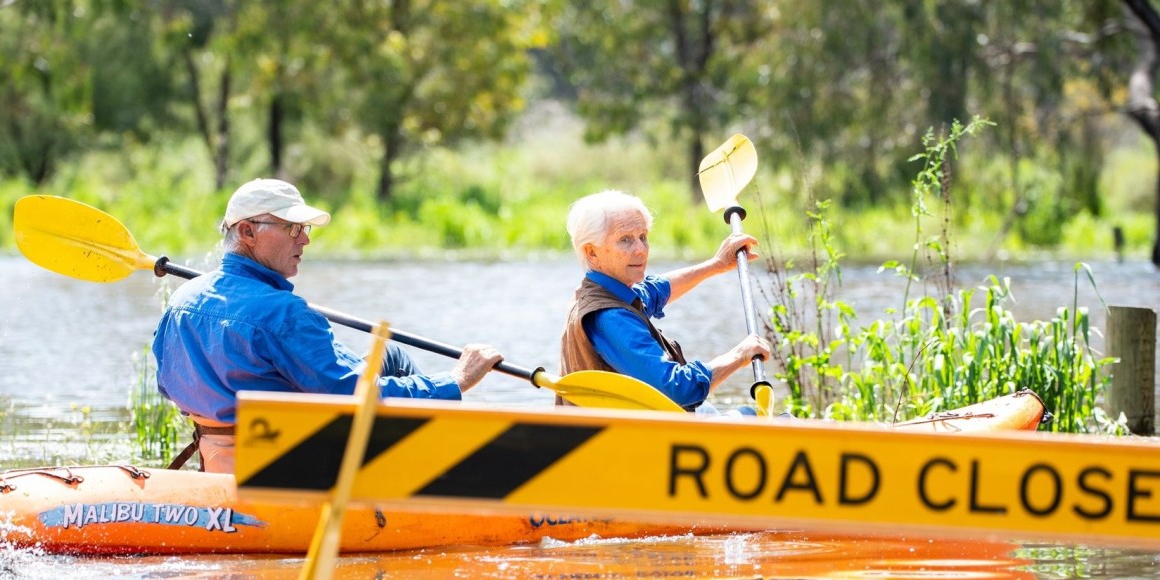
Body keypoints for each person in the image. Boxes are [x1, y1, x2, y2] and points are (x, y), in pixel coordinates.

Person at [153, 178, 503, 473]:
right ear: (247, 231)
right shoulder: (285, 313)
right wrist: (456, 381)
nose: (304, 240)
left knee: (390, 356)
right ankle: (444, 471)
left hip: (218, 458)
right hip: (288, 465)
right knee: (389, 367)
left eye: (303, 229)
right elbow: (364, 398)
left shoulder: (182, 300)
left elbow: (168, 386)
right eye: (292, 228)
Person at [558, 189, 772, 413]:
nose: (641, 250)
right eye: (625, 240)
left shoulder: (604, 290)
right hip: (631, 441)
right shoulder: (610, 316)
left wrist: (717, 264)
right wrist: (740, 354)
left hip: (642, 430)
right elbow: (677, 389)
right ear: (592, 253)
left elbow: (657, 289)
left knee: (727, 412)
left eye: (643, 237)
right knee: (754, 417)